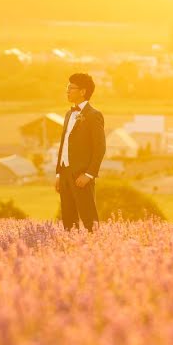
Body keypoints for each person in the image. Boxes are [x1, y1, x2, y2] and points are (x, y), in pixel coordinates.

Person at [54, 73, 106, 231]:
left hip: (81, 175)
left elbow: (100, 148)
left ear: (83, 91)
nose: (67, 91)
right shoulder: (69, 114)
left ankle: (96, 248)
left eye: (71, 88)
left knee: (89, 218)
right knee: (68, 220)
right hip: (64, 173)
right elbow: (64, 144)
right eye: (67, 88)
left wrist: (89, 174)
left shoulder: (93, 115)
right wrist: (59, 173)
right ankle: (71, 248)